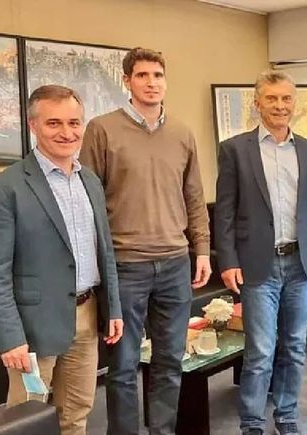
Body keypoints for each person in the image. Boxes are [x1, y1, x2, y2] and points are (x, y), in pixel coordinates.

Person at [0, 84, 123, 435]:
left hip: (86, 317)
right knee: (27, 420)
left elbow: (105, 251)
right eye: (54, 123)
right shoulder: (4, 188)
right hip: (33, 326)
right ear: (33, 126)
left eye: (74, 122)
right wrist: (10, 337)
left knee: (77, 412)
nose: (67, 132)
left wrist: (112, 308)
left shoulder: (91, 181)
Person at [79, 47, 212, 435]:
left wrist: (201, 249)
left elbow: (194, 196)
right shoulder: (102, 129)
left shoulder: (182, 133)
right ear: (127, 81)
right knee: (122, 366)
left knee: (170, 361)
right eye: (142, 75)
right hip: (125, 266)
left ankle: (162, 430)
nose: (151, 83)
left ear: (165, 81)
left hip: (175, 263)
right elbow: (90, 202)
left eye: (157, 75)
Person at [214, 71, 307, 435]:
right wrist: (228, 260)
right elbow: (226, 211)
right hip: (256, 265)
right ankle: (252, 423)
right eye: (272, 99)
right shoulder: (235, 149)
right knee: (261, 350)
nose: (280, 106)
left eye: (286, 99)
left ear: (294, 103)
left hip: (300, 263)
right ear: (258, 103)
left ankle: (286, 415)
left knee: (295, 347)